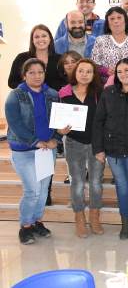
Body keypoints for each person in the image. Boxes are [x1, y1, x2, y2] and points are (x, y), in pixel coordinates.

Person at [5, 58, 60, 244]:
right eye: (32, 72)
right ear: (24, 75)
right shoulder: (16, 95)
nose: (37, 76)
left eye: (40, 72)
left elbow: (58, 121)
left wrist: (56, 139)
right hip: (24, 151)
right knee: (33, 190)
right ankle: (25, 226)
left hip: (47, 151)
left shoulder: (52, 94)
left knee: (43, 191)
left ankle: (37, 221)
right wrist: (35, 142)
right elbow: (15, 123)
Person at [93, 58, 128, 240]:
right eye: (119, 71)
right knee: (122, 187)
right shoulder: (108, 92)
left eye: (127, 70)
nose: (123, 74)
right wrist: (99, 149)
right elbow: (98, 121)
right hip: (113, 149)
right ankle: (125, 223)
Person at [57, 59, 104, 238]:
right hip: (73, 143)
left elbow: (103, 120)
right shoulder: (64, 93)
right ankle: (79, 218)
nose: (84, 74)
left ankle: (94, 217)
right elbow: (57, 119)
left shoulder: (99, 93)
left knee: (96, 182)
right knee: (77, 183)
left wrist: (102, 146)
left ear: (93, 75)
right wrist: (59, 130)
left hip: (96, 144)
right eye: (81, 71)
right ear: (75, 73)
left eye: (88, 71)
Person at [9, 25, 65, 91]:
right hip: (27, 96)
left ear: (50, 39)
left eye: (44, 36)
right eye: (37, 37)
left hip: (53, 96)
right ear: (32, 40)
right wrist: (30, 87)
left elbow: (65, 82)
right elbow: (12, 82)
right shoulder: (21, 58)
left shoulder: (60, 59)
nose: (40, 39)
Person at [91, 6, 128, 73]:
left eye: (119, 17)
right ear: (107, 23)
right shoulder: (100, 40)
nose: (116, 21)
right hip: (108, 79)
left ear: (125, 20)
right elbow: (94, 64)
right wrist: (106, 71)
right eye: (112, 19)